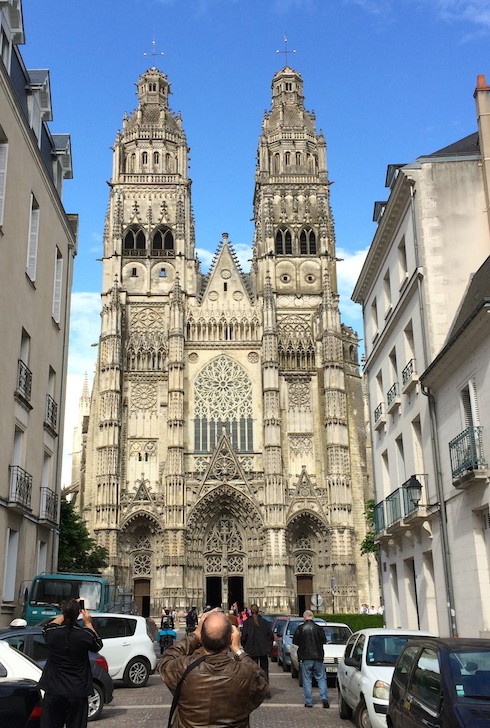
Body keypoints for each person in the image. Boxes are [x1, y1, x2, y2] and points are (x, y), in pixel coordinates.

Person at [160, 608, 268, 728]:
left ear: (202, 636)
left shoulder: (183, 669)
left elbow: (166, 659)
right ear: (231, 639)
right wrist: (238, 650)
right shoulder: (246, 675)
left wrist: (195, 635)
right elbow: (262, 684)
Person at [38, 598, 103, 728]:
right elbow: (98, 644)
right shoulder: (84, 635)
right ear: (78, 613)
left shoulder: (53, 633)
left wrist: (66, 612)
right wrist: (88, 623)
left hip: (54, 689)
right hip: (77, 691)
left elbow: (46, 628)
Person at [292, 609, 330, 709]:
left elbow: (295, 642)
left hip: (306, 657)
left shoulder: (300, 628)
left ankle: (309, 702)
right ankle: (324, 698)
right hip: (318, 656)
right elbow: (324, 641)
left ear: (305, 617)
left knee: (307, 680)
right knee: (321, 678)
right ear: (312, 616)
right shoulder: (319, 628)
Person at [240, 604, 273, 688]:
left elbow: (243, 637)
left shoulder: (247, 622)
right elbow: (270, 636)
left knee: (252, 670)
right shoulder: (265, 622)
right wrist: (268, 647)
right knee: (264, 670)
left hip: (251, 650)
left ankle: (254, 689)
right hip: (263, 650)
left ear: (250, 612)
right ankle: (265, 689)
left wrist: (245, 646)